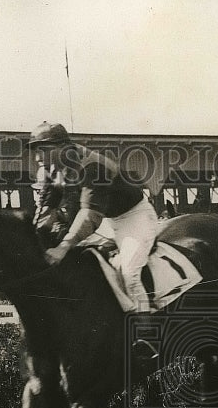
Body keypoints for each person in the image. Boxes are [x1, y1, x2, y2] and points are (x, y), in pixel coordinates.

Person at [29, 122, 159, 313]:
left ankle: (144, 334)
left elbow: (90, 215)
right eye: (35, 151)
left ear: (64, 148)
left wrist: (63, 247)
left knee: (129, 274)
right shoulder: (49, 169)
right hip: (107, 220)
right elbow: (47, 209)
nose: (38, 158)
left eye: (44, 150)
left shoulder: (92, 166)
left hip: (134, 217)